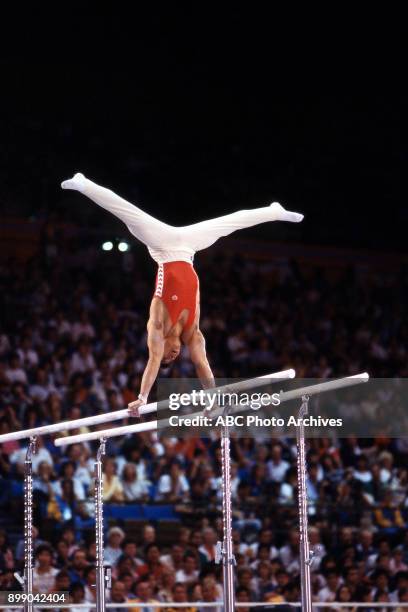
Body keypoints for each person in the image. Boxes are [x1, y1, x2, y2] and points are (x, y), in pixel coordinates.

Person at [61, 173, 303, 413]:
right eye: (172, 359)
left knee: (128, 212)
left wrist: (142, 397)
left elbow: (152, 361)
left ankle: (84, 184)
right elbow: (201, 364)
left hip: (163, 247)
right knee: (229, 224)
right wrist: (213, 400)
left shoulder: (156, 326)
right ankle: (274, 212)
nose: (173, 355)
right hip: (188, 248)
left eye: (167, 356)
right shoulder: (193, 334)